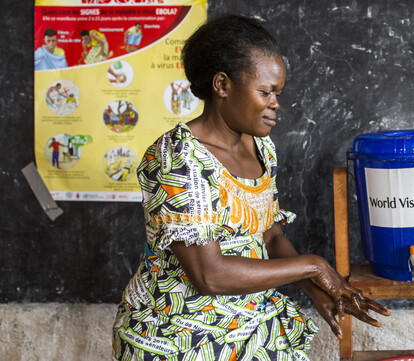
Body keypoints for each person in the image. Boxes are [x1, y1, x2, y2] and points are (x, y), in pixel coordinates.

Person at [112, 14, 389, 361]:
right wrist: (314, 266)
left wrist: (314, 289)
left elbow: (270, 237)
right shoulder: (178, 157)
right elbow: (209, 275)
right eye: (265, 91)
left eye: (278, 93)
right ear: (222, 85)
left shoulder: (261, 148)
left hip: (253, 328)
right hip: (178, 337)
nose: (275, 103)